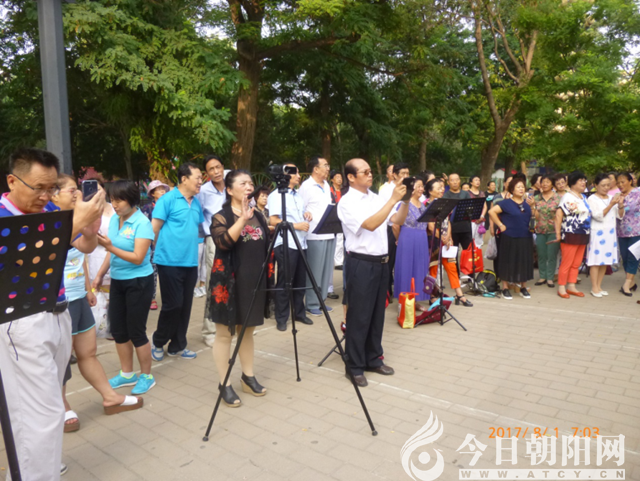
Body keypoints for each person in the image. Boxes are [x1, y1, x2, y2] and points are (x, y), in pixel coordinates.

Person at [0, 148, 105, 479]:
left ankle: (37, 466)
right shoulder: (3, 216)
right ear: (12, 181)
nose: (46, 196)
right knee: (40, 412)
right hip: (21, 321)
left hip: (59, 312)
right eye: (38, 188)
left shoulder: (49, 211)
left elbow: (85, 247)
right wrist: (77, 221)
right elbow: (32, 260)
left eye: (51, 188)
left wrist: (90, 225)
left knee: (47, 409)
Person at [54, 174, 143, 430]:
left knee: (88, 352)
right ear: (54, 195)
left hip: (78, 297)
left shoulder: (74, 218)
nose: (77, 194)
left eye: (78, 189)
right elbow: (51, 248)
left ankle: (110, 397)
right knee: (60, 360)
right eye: (71, 190)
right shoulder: (48, 221)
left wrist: (88, 288)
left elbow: (85, 250)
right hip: (57, 303)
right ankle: (62, 406)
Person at [337, 158, 409, 387]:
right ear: (351, 177)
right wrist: (393, 200)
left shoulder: (375, 198)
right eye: (365, 172)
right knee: (359, 316)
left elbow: (396, 219)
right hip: (361, 263)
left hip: (381, 262)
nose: (370, 174)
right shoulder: (347, 202)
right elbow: (369, 224)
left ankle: (373, 358)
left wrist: (405, 201)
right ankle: (354, 366)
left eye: (370, 171)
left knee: (377, 314)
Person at [209, 170, 270, 407]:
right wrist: (242, 219)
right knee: (225, 333)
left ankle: (248, 376)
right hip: (228, 283)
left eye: (251, 183)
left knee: (247, 330)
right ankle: (224, 383)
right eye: (243, 183)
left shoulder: (259, 215)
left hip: (254, 282)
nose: (249, 187)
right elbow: (223, 243)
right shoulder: (221, 216)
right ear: (229, 190)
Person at [92, 180, 157, 394]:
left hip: (139, 282)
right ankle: (127, 374)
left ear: (131, 200)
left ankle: (146, 376)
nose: (115, 204)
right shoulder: (115, 220)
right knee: (119, 330)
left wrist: (110, 247)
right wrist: (100, 275)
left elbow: (138, 257)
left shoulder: (142, 223)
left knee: (136, 331)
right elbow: (110, 253)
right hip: (117, 281)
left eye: (119, 200)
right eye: (112, 199)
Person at [151, 162, 204, 360]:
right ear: (184, 179)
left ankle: (177, 345)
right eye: (198, 178)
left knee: (185, 306)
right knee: (173, 305)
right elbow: (154, 229)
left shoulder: (196, 203)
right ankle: (158, 341)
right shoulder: (167, 199)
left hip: (190, 262)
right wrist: (154, 253)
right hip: (169, 261)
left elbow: (196, 230)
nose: (200, 182)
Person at [268, 164, 314, 330]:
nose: (298, 175)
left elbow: (298, 215)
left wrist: (306, 214)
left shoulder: (298, 196)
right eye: (295, 172)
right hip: (286, 243)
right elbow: (273, 220)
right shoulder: (276, 195)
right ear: (286, 174)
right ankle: (281, 318)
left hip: (301, 242)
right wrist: (296, 225)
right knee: (285, 281)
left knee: (300, 281)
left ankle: (299, 313)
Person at [425, 178, 472, 306]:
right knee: (433, 268)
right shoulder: (426, 205)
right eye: (438, 188)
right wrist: (442, 238)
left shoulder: (444, 203)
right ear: (430, 191)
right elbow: (430, 227)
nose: (442, 190)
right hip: (433, 241)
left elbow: (448, 221)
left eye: (442, 188)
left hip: (446, 240)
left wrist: (449, 237)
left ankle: (459, 295)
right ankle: (432, 295)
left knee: (451, 267)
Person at [299, 156, 337, 316]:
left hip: (329, 232)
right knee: (314, 270)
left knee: (326, 271)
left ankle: (322, 300)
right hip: (314, 234)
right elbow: (301, 208)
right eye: (325, 165)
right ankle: (312, 303)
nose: (328, 168)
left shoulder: (326, 185)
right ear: (315, 169)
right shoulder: (306, 186)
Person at [196, 155, 227, 346]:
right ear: (206, 173)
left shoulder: (232, 184)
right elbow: (198, 216)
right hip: (214, 240)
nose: (216, 172)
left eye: (218, 167)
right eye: (211, 169)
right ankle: (209, 331)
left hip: (235, 238)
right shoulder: (203, 191)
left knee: (234, 281)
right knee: (214, 283)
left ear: (223, 167)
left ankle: (232, 325)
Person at [488, 175, 534, 300]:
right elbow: (491, 212)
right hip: (509, 236)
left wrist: (533, 206)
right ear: (512, 189)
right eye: (518, 187)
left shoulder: (528, 203)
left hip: (525, 236)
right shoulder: (506, 203)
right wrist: (500, 225)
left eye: (523, 187)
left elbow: (535, 217)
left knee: (523, 261)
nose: (521, 189)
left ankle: (523, 287)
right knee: (507, 261)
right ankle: (505, 288)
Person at [393, 177, 430, 307]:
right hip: (407, 238)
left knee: (420, 269)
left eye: (422, 186)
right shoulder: (404, 204)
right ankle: (404, 301)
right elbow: (395, 225)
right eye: (418, 186)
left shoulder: (423, 205)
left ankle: (415, 300)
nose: (421, 189)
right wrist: (399, 239)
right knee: (406, 268)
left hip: (422, 238)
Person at [554, 171, 591, 298]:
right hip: (570, 233)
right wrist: (558, 234)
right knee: (567, 262)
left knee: (577, 263)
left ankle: (571, 286)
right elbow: (559, 215)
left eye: (584, 180)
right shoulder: (567, 197)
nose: (583, 182)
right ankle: (561, 287)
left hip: (583, 233)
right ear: (573, 183)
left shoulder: (584, 197)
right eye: (580, 180)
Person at [587, 174, 624, 297]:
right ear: (596, 185)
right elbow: (598, 216)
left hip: (610, 233)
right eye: (603, 185)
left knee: (605, 261)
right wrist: (611, 204)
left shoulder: (611, 198)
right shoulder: (592, 199)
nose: (606, 188)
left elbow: (620, 215)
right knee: (596, 261)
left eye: (608, 185)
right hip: (597, 232)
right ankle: (594, 287)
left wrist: (620, 204)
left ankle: (599, 286)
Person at [380, 163, 410, 299]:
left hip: (407, 228)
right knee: (389, 261)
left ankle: (402, 290)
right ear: (394, 175)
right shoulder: (386, 190)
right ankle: (386, 292)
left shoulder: (409, 188)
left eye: (407, 173)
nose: (405, 176)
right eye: (403, 173)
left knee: (403, 262)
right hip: (391, 227)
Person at [141, 180, 170, 310]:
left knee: (167, 272)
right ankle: (151, 297)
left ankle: (167, 297)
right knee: (152, 271)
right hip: (151, 245)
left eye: (163, 188)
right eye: (159, 189)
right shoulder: (147, 208)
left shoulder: (170, 207)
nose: (162, 191)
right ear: (152, 193)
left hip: (167, 244)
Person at [533, 175, 562, 288]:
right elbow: (534, 216)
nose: (544, 184)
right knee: (541, 254)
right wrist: (532, 207)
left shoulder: (558, 198)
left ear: (552, 184)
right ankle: (542, 277)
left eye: (547, 182)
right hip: (540, 230)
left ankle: (550, 278)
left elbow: (560, 216)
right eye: (543, 182)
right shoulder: (536, 198)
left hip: (553, 230)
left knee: (551, 255)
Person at [616, 172, 640, 296]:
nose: (620, 185)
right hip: (621, 231)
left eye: (623, 182)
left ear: (630, 181)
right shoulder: (617, 196)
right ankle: (631, 282)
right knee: (625, 257)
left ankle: (626, 284)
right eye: (618, 183)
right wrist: (619, 204)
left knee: (633, 257)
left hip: (637, 231)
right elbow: (618, 215)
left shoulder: (638, 192)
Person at [443, 173, 472, 250]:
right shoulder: (445, 195)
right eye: (452, 180)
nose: (455, 182)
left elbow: (470, 208)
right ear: (448, 182)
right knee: (453, 254)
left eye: (457, 180)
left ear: (460, 181)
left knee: (468, 252)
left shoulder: (465, 194)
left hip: (466, 227)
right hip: (452, 229)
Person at [330, 170, 344, 273]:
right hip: (333, 218)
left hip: (342, 218)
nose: (339, 179)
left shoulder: (344, 191)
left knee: (340, 240)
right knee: (338, 240)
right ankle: (337, 262)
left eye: (340, 177)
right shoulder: (329, 191)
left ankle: (340, 260)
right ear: (332, 179)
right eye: (337, 177)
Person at [468, 175, 487, 248]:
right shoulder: (467, 193)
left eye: (479, 180)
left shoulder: (482, 193)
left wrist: (482, 216)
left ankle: (478, 253)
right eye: (476, 180)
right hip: (471, 220)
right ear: (471, 182)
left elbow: (485, 206)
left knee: (479, 241)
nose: (478, 182)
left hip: (481, 219)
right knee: (470, 240)